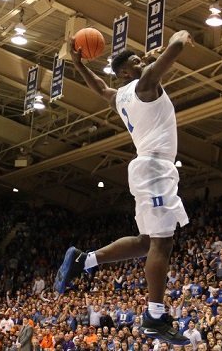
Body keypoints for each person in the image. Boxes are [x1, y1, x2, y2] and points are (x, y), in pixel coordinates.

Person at [54, 30, 195, 345]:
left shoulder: (121, 95)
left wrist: (78, 64)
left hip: (148, 167)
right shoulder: (144, 85)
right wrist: (180, 37)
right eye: (135, 60)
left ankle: (84, 260)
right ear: (126, 73)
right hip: (156, 167)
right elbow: (172, 51)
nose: (141, 59)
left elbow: (101, 88)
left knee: (147, 242)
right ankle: (156, 317)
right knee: (163, 245)